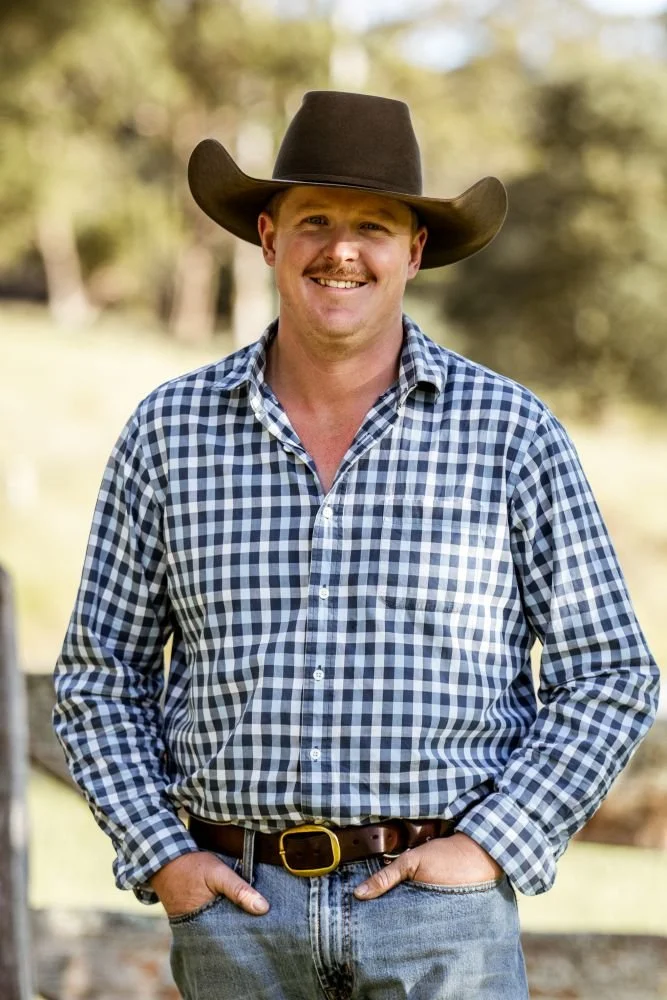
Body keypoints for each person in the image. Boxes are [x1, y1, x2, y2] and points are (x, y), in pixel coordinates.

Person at [53, 91, 660, 1000]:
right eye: (315, 221)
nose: (342, 249)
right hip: (235, 923)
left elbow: (610, 673)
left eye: (373, 225)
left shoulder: (509, 433)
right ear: (267, 237)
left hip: (441, 927)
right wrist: (163, 856)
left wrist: (494, 844)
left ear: (412, 252)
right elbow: (101, 675)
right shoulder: (169, 433)